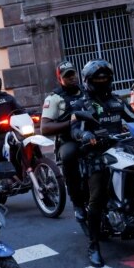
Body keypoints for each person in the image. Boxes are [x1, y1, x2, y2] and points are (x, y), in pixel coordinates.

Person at [70, 60, 134, 267]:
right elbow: (75, 129)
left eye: (105, 78)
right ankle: (93, 245)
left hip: (121, 150)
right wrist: (85, 134)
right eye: (97, 78)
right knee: (97, 197)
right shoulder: (81, 104)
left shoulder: (118, 101)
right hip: (96, 154)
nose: (102, 81)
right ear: (89, 81)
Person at [40, 61, 88, 230]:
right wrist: (70, 122)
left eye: (73, 73)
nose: (72, 77)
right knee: (69, 156)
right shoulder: (54, 98)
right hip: (69, 140)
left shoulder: (86, 91)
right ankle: (78, 205)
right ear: (60, 78)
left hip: (93, 137)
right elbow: (45, 127)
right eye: (67, 75)